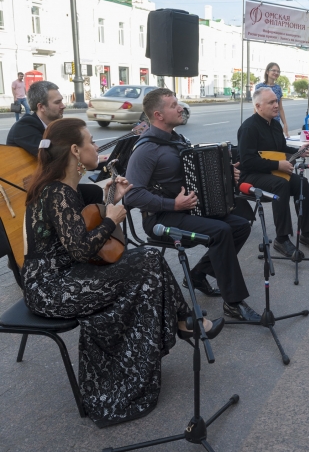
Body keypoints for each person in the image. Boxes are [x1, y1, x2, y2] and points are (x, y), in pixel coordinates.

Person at [21, 118, 223, 427]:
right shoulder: (56, 193)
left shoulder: (66, 189)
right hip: (51, 289)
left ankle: (182, 322)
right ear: (75, 151)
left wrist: (110, 202)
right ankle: (184, 320)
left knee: (147, 261)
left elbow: (82, 228)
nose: (95, 147)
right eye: (90, 141)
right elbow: (82, 249)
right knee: (148, 260)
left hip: (70, 275)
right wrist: (111, 220)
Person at [125, 88, 260, 322]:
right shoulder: (146, 149)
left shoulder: (178, 140)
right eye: (173, 105)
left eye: (178, 103)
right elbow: (131, 196)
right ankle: (234, 303)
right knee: (221, 231)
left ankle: (197, 275)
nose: (180, 108)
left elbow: (195, 172)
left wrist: (227, 175)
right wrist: (172, 204)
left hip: (186, 209)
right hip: (161, 218)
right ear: (158, 114)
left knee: (241, 225)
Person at [238, 87, 309, 257]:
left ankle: (307, 234)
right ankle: (282, 239)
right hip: (251, 175)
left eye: (276, 101)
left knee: (301, 183)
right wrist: (278, 165)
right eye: (271, 102)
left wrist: (299, 150)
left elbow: (280, 148)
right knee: (281, 184)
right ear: (258, 106)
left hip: (271, 171)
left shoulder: (275, 125)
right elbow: (247, 161)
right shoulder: (249, 128)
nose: (276, 105)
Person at [6, 80, 105, 204]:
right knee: (93, 193)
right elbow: (55, 158)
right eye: (57, 102)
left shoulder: (55, 128)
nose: (63, 105)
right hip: (22, 194)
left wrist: (102, 162)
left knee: (95, 193)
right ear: (41, 107)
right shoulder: (24, 127)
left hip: (47, 186)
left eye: (62, 101)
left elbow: (72, 161)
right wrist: (95, 160)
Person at [255, 62, 289, 137]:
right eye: (273, 70)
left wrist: (285, 124)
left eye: (278, 71)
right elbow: (256, 107)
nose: (276, 73)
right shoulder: (259, 87)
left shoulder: (278, 88)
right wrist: (256, 122)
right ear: (267, 71)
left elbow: (280, 108)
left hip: (275, 122)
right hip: (263, 122)